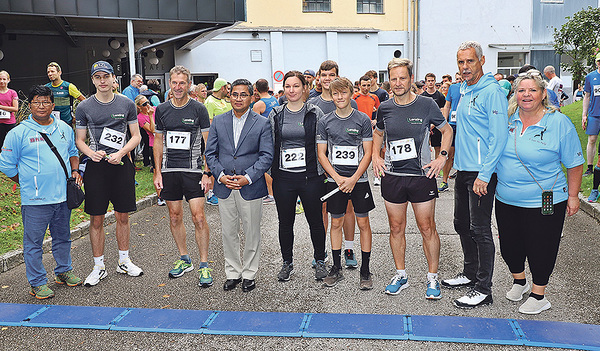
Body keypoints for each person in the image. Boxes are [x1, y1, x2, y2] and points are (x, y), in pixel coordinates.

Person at [495, 70, 583, 314]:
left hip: (546, 200)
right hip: (506, 198)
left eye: (532, 90)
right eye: (521, 90)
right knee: (510, 248)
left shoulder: (558, 123)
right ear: (515, 94)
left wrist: (574, 196)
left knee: (541, 247)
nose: (526, 95)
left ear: (543, 93)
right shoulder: (507, 119)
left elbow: (575, 163)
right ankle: (519, 281)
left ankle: (539, 293)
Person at [372, 58, 453, 300]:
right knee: (396, 227)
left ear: (410, 79)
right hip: (393, 177)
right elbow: (378, 133)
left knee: (427, 227)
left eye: (402, 78)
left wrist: (442, 158)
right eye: (393, 78)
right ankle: (401, 274)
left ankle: (432, 277)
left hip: (421, 176)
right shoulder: (385, 107)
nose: (398, 83)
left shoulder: (426, 104)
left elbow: (446, 131)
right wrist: (376, 157)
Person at [442, 41, 508, 309]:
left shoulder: (492, 91)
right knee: (462, 224)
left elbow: (499, 136)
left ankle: (484, 288)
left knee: (480, 230)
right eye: (460, 62)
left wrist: (485, 174)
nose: (465, 67)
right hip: (464, 170)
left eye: (470, 61)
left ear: (481, 61)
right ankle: (470, 273)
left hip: (482, 173)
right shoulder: (464, 89)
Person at [0, 85, 83, 299]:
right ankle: (37, 282)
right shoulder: (18, 133)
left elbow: (73, 152)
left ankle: (63, 271)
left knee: (63, 237)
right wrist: (27, 181)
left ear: (52, 105)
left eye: (46, 101)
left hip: (63, 196)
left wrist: (75, 170)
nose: (42, 106)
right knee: (33, 243)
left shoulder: (64, 128)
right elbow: (7, 165)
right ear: (30, 105)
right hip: (35, 200)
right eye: (37, 102)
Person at [75, 61, 143, 287]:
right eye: (98, 77)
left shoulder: (126, 103)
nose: (102, 81)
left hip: (121, 164)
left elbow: (136, 136)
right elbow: (79, 140)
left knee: (123, 215)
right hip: (97, 167)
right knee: (97, 218)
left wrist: (122, 153)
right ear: (93, 80)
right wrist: (91, 153)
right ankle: (98, 266)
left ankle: (124, 261)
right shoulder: (84, 107)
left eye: (106, 76)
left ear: (114, 79)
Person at [205, 78, 273, 292]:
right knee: (228, 232)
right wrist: (221, 175)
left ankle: (249, 274)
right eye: (235, 94)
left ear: (252, 97)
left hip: (250, 186)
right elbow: (210, 153)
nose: (238, 98)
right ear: (229, 95)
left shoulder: (262, 123)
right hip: (225, 186)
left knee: (252, 232)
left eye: (243, 94)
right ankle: (233, 273)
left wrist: (248, 177)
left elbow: (266, 155)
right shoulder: (218, 121)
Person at [153, 65, 213, 287]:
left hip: (194, 170)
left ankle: (204, 264)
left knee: (198, 217)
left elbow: (209, 142)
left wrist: (208, 171)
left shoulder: (198, 109)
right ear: (170, 83)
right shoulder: (161, 109)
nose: (178, 87)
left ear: (189, 85)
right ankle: (184, 258)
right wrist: (157, 171)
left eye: (182, 83)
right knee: (175, 216)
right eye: (174, 83)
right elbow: (158, 141)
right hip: (170, 170)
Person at [269, 70, 328, 282]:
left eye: (296, 86)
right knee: (285, 222)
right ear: (283, 89)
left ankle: (320, 260)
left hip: (310, 177)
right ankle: (287, 262)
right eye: (288, 86)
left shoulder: (315, 112)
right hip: (284, 178)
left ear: (305, 88)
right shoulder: (275, 114)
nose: (291, 90)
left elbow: (323, 144)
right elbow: (271, 144)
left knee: (315, 221)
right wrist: (270, 172)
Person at [317, 77, 375, 289]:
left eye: (343, 93)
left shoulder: (362, 120)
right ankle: (336, 268)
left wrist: (353, 179)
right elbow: (322, 154)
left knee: (363, 223)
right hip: (335, 180)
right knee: (336, 223)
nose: (340, 97)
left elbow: (368, 153)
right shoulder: (325, 121)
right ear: (331, 96)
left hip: (359, 180)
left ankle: (365, 270)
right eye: (335, 94)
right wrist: (338, 178)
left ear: (351, 94)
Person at [308, 60, 359, 269]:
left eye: (332, 74)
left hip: (346, 166)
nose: (327, 78)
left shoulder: (350, 103)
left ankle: (348, 247)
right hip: (321, 167)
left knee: (348, 208)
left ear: (337, 76)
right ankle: (323, 250)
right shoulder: (313, 104)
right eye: (324, 74)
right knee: (322, 208)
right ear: (318, 78)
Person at [439, 74, 463, 192]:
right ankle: (444, 181)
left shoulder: (473, 87)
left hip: (466, 126)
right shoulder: (453, 88)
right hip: (453, 124)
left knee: (463, 153)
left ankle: (462, 178)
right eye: (458, 78)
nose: (460, 80)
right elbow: (447, 105)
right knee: (449, 153)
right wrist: (445, 122)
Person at [582, 53, 600, 179]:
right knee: (592, 140)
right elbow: (587, 96)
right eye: (599, 60)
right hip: (594, 114)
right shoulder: (590, 77)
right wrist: (584, 114)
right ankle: (589, 167)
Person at [421, 73, 446, 161]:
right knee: (424, 147)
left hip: (436, 125)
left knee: (437, 147)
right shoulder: (422, 96)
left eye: (432, 81)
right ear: (426, 82)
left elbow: (442, 112)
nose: (430, 83)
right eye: (429, 81)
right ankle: (426, 165)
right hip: (425, 125)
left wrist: (434, 125)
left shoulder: (440, 96)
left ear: (435, 81)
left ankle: (436, 168)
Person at [135, 95, 156, 169]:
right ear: (139, 107)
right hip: (153, 143)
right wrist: (150, 116)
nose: (147, 105)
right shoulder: (140, 117)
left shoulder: (155, 109)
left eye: (147, 102)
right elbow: (152, 130)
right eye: (144, 104)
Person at [0, 71, 19, 148]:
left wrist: (1, 107)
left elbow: (15, 108)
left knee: (12, 144)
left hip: (10, 122)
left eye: (4, 79)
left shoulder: (12, 93)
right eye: (0, 79)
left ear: (8, 80)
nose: (2, 81)